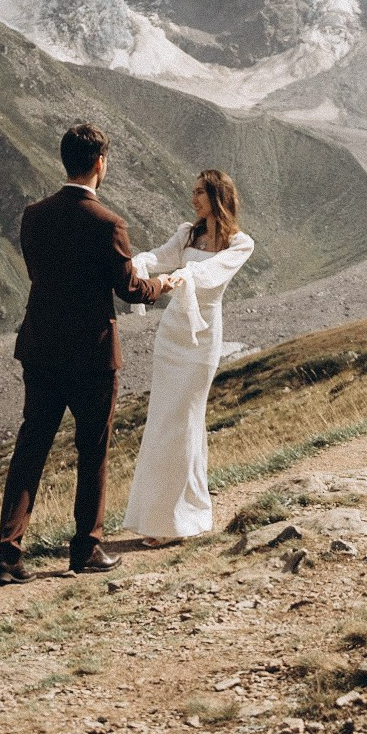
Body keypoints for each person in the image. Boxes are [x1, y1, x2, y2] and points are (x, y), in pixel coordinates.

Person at [0, 122, 176, 582]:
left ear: (65, 160)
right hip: (91, 353)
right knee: (93, 450)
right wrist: (162, 284)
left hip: (42, 345)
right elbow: (129, 289)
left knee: (32, 447)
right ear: (100, 163)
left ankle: (7, 554)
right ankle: (86, 547)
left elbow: (39, 272)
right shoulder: (108, 223)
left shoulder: (33, 215)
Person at [120, 169, 255, 543]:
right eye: (193, 190)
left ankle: (175, 520)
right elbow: (161, 258)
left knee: (185, 420)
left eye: (200, 191)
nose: (193, 197)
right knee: (164, 420)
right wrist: (134, 264)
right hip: (172, 336)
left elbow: (211, 274)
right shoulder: (187, 233)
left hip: (202, 339)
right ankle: (169, 517)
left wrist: (183, 275)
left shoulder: (240, 243)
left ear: (217, 195)